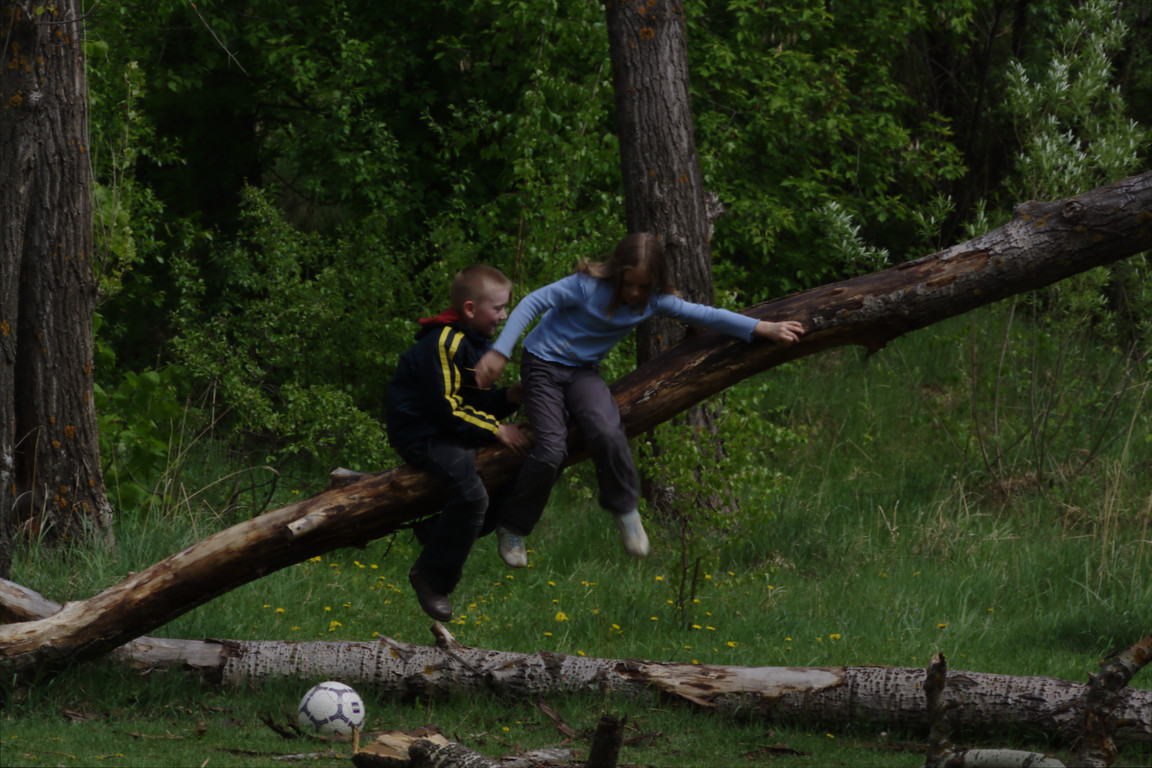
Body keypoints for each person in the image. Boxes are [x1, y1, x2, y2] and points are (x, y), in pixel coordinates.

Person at [473, 232, 804, 567]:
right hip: (542, 364)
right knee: (551, 450)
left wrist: (761, 327)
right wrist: (500, 351)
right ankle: (513, 526)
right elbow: (533, 302)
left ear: (655, 283)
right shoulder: (586, 286)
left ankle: (625, 508)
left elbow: (706, 314)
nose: (633, 293)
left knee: (607, 430)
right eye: (627, 283)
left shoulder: (654, 301)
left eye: (642, 286)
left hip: (583, 371)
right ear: (616, 272)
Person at [386, 264, 532, 622]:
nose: (504, 315)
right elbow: (449, 409)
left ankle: (435, 531)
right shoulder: (443, 342)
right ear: (470, 308)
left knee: (511, 472)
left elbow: (474, 403)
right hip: (422, 433)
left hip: (449, 430)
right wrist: (497, 430)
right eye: (498, 308)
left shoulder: (475, 342)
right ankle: (431, 578)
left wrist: (509, 397)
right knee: (472, 495)